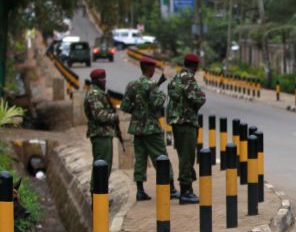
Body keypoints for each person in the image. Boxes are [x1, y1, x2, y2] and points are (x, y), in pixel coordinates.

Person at [120, 57, 178, 201]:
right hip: (151, 128)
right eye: (153, 68)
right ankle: (170, 188)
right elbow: (157, 104)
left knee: (140, 159)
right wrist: (162, 93)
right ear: (150, 69)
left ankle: (140, 191)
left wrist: (138, 111)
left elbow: (125, 106)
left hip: (137, 128)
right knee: (161, 157)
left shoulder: (132, 85)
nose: (154, 71)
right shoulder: (152, 85)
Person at [167, 53, 206, 204]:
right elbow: (198, 98)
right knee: (187, 157)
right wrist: (201, 96)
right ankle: (186, 191)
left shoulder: (176, 77)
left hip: (178, 123)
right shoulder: (188, 78)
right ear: (195, 66)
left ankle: (186, 189)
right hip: (186, 122)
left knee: (184, 155)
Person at [83, 69, 117, 191]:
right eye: (102, 79)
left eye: (105, 79)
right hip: (100, 134)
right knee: (101, 166)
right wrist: (115, 116)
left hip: (104, 133)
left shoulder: (98, 92)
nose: (105, 82)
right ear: (96, 80)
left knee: (104, 166)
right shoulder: (95, 94)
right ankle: (97, 196)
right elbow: (100, 116)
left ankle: (100, 194)